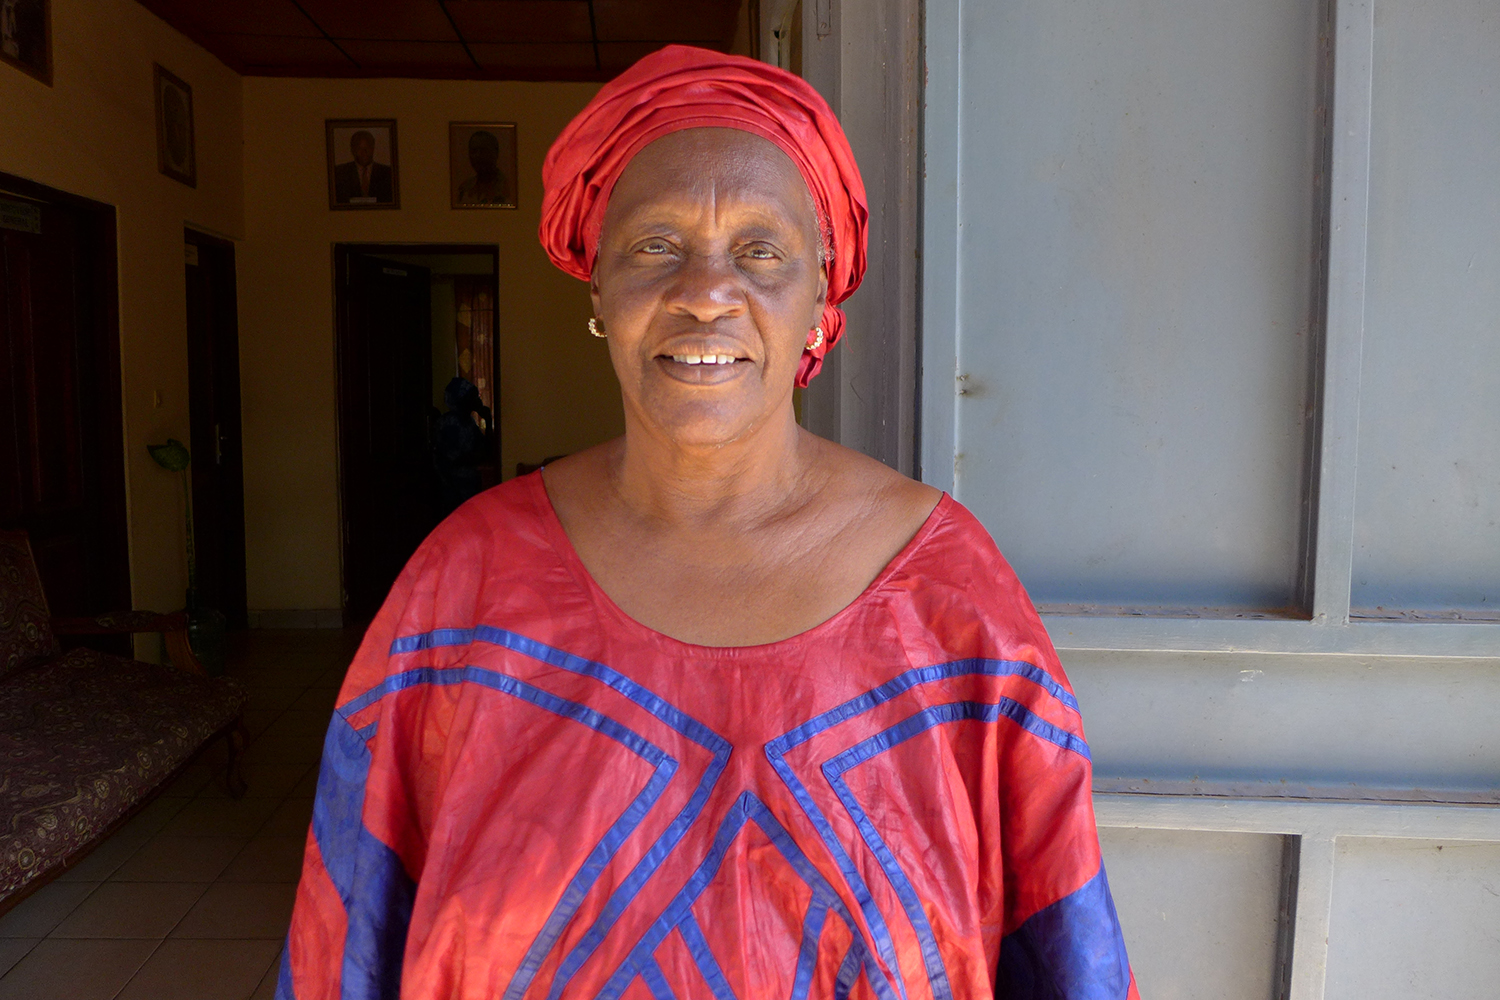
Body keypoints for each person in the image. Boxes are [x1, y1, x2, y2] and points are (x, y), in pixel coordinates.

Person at [280, 45, 1137, 1000]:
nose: (706, 290)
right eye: (655, 245)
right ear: (597, 287)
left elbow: (1064, 949)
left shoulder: (948, 599)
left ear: (821, 298)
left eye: (762, 253)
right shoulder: (465, 587)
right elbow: (345, 941)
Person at [432, 376, 493, 518]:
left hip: (468, 489)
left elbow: (486, 449)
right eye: (472, 396)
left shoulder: (468, 422)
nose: (477, 399)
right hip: (454, 491)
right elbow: (456, 459)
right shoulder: (449, 423)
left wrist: (488, 421)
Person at [334, 129, 393, 204]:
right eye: (359, 149)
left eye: (367, 148)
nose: (363, 153)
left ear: (373, 148)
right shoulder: (340, 173)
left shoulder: (387, 173)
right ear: (353, 150)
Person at [456, 129, 511, 206]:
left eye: (483, 150)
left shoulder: (509, 188)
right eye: (474, 151)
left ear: (496, 153)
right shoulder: (464, 189)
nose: (478, 156)